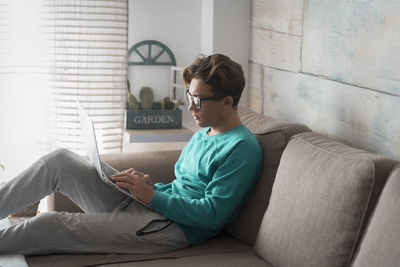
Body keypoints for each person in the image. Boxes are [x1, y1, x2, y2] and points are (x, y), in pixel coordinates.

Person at [0, 54, 262, 255]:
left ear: (227, 101)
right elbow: (183, 187)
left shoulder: (242, 148)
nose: (190, 106)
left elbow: (212, 214)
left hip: (172, 229)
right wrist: (148, 186)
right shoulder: (203, 134)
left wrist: (152, 197)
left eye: (198, 100)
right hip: (151, 206)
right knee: (59, 161)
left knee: (49, 224)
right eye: (189, 96)